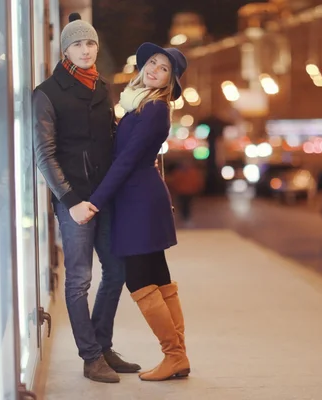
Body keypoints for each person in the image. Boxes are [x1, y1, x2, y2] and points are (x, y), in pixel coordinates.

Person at [33, 13, 140, 383]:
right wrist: (70, 199)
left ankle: (103, 346)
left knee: (118, 270)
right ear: (65, 50)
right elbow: (44, 154)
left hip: (105, 196)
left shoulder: (101, 87)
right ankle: (90, 356)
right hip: (74, 199)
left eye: (90, 43)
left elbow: (111, 140)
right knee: (79, 280)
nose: (85, 49)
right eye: (77, 44)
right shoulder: (47, 93)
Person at [87, 42, 190, 382]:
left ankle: (173, 355)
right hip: (141, 197)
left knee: (140, 279)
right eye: (152, 63)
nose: (153, 70)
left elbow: (126, 161)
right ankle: (179, 356)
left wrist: (96, 200)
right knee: (159, 277)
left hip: (138, 200)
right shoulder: (139, 104)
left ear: (169, 82)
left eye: (163, 69)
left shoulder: (155, 109)